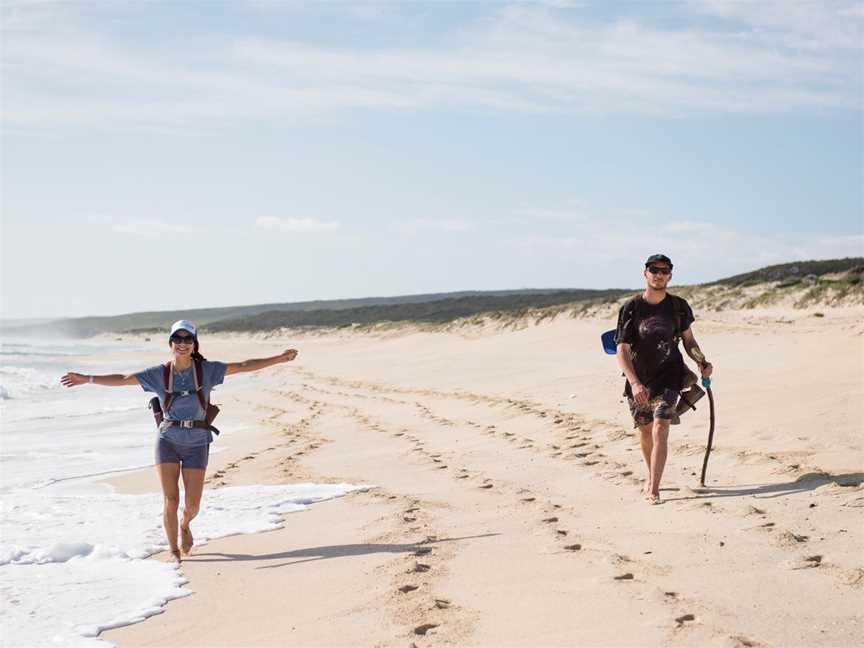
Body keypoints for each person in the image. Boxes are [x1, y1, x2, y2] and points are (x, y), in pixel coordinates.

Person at [61, 319, 298, 561]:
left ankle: (185, 524)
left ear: (194, 344)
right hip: (167, 441)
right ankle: (174, 551)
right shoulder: (158, 374)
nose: (182, 343)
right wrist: (87, 378)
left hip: (197, 442)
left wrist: (278, 359)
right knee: (171, 499)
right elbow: (122, 379)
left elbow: (244, 365)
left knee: (192, 506)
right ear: (170, 343)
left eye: (188, 339)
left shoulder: (207, 371)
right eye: (177, 339)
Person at [614, 255, 713, 504]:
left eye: (664, 270)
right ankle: (651, 475)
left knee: (661, 427)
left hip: (670, 374)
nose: (659, 274)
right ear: (645, 273)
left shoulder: (678, 306)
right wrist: (635, 383)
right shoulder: (632, 307)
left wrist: (701, 361)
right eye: (654, 270)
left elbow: (689, 341)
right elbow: (622, 349)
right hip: (640, 377)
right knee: (645, 430)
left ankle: (654, 488)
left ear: (670, 275)